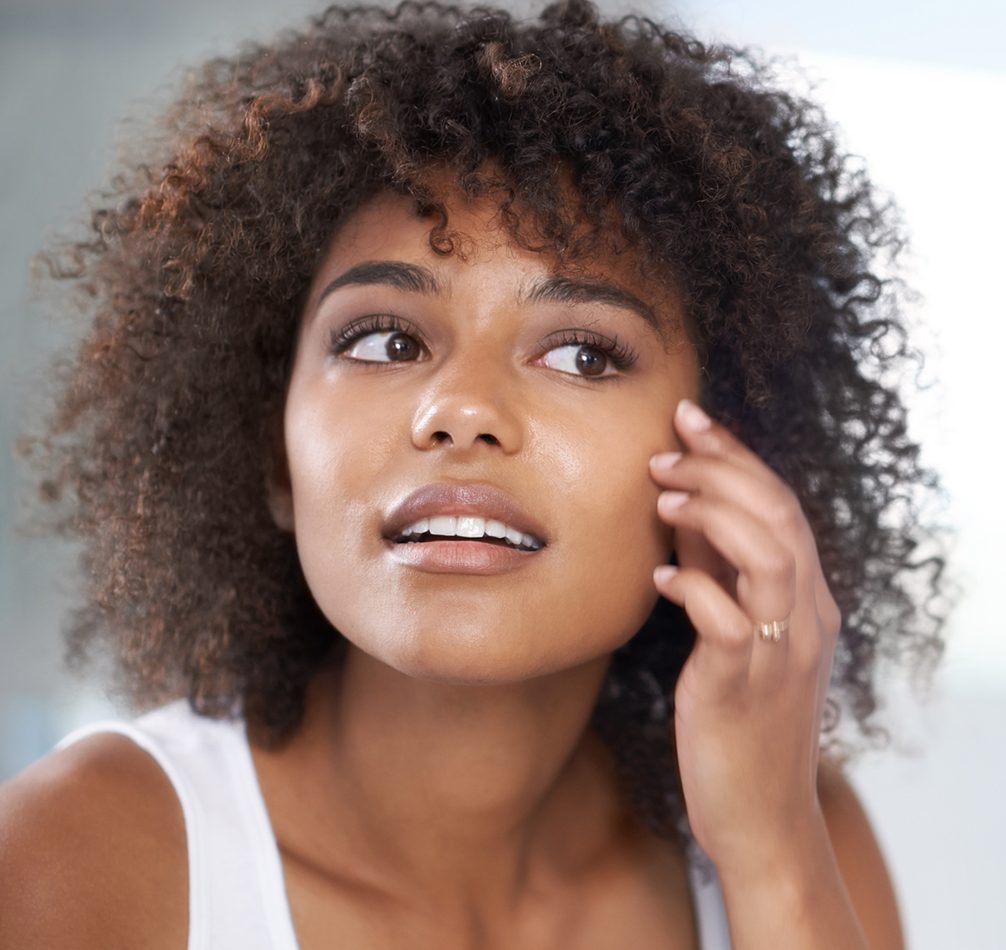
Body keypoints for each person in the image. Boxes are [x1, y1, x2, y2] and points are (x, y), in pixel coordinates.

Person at [0, 1, 954, 947]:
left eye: (582, 354)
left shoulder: (800, 834)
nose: (461, 409)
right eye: (383, 339)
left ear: (733, 465)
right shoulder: (73, 864)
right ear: (273, 456)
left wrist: (771, 854)